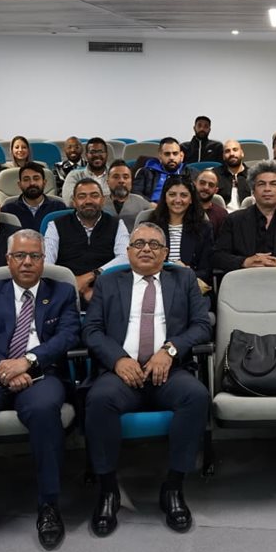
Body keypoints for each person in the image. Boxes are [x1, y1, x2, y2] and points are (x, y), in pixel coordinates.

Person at [0, 229, 81, 552]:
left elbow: (68, 336)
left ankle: (48, 504)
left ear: (43, 259)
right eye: (20, 256)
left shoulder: (62, 291)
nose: (27, 262)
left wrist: (28, 362)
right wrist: (3, 368)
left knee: (43, 410)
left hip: (41, 372)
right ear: (8, 260)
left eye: (34, 256)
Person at [83, 222, 212, 536]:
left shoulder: (183, 279)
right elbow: (91, 330)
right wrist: (118, 359)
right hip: (121, 373)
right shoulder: (109, 281)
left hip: (168, 371)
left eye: (154, 245)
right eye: (139, 243)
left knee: (196, 396)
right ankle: (108, 490)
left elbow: (202, 325)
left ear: (165, 253)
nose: (146, 249)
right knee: (99, 400)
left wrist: (170, 350)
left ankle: (173, 487)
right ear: (128, 252)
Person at [212, 160, 276, 273]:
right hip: (245, 280)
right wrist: (245, 262)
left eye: (273, 184)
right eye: (261, 184)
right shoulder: (234, 220)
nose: (267, 189)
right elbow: (218, 256)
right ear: (253, 190)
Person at [45, 177, 129, 304]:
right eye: (82, 196)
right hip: (64, 290)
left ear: (103, 200)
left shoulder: (117, 224)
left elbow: (125, 257)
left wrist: (93, 276)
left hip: (106, 288)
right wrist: (72, 283)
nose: (88, 201)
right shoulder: (55, 225)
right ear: (74, 201)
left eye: (94, 196)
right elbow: (47, 263)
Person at [147, 174, 214, 289]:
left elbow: (207, 271)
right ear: (165, 197)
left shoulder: (204, 228)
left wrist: (186, 273)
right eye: (172, 195)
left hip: (189, 285)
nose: (178, 200)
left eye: (184, 195)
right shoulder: (149, 227)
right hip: (156, 285)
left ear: (191, 199)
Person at [0, 162, 66, 231]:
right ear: (19, 185)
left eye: (36, 178)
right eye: (26, 179)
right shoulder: (8, 210)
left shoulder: (58, 208)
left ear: (44, 183)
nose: (32, 183)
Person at [132, 137, 186, 203]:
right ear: (160, 155)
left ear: (181, 155)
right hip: (152, 207)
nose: (171, 157)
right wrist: (149, 203)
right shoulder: (147, 172)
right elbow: (135, 193)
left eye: (175, 153)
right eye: (167, 154)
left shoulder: (189, 172)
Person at [60, 137, 112, 205]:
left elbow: (121, 197)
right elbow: (70, 200)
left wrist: (83, 198)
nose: (96, 155)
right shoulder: (74, 175)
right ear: (86, 155)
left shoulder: (115, 175)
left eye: (100, 151)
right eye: (92, 152)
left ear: (106, 154)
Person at [104, 160, 153, 231]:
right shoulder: (99, 205)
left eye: (125, 177)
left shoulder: (143, 205)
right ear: (107, 182)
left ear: (131, 181)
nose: (121, 181)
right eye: (116, 177)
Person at [215, 139, 250, 207]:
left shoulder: (253, 175)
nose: (231, 154)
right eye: (227, 151)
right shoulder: (214, 175)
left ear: (242, 153)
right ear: (223, 156)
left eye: (235, 150)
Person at [194, 168, 228, 236]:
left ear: (216, 191)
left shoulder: (222, 215)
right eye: (202, 183)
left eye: (211, 185)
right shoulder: (183, 210)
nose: (206, 187)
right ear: (195, 185)